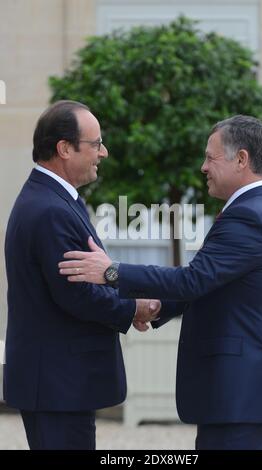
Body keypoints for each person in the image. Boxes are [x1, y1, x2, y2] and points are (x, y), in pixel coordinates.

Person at [59, 115, 262, 450]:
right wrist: (155, 308)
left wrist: (111, 272)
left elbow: (193, 279)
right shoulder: (257, 209)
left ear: (242, 159)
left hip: (241, 393)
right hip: (250, 393)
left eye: (210, 157)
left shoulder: (251, 216)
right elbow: (211, 283)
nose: (202, 167)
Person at [4, 100, 160, 450]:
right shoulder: (49, 210)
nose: (103, 152)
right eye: (96, 144)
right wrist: (133, 308)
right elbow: (77, 293)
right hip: (58, 385)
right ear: (64, 148)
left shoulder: (55, 200)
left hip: (60, 383)